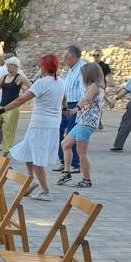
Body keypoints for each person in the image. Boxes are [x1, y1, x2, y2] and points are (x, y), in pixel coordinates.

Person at [0, 54, 65, 202]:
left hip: (40, 124)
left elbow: (21, 100)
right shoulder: (61, 82)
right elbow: (64, 100)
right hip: (53, 123)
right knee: (28, 151)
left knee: (37, 157)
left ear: (44, 66)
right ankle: (30, 181)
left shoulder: (41, 83)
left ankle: (45, 191)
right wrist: (65, 109)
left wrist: (0, 111)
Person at [58, 63, 105, 188]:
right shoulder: (90, 86)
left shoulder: (95, 86)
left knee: (82, 152)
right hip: (82, 121)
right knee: (65, 144)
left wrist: (74, 110)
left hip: (88, 122)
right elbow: (84, 99)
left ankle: (86, 180)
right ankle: (67, 172)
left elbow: (86, 100)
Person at [0, 56, 31, 156]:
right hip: (1, 107)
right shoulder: (4, 77)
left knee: (8, 131)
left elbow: (31, 88)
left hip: (12, 109)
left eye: (10, 65)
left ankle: (5, 154)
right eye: (7, 65)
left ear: (16, 66)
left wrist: (24, 96)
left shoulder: (20, 78)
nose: (8, 67)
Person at [56, 45, 85, 173]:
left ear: (73, 57)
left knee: (71, 134)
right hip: (66, 105)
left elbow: (84, 90)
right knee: (59, 130)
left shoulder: (83, 69)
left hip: (75, 105)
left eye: (65, 57)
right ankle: (64, 161)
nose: (63, 59)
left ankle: (75, 164)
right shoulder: (71, 69)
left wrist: (79, 107)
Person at [91, 49, 112, 130]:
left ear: (101, 56)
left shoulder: (105, 66)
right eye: (94, 55)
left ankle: (98, 121)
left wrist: (113, 85)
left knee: (100, 105)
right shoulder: (91, 65)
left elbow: (109, 76)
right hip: (92, 87)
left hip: (102, 87)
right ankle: (94, 121)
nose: (95, 57)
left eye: (97, 55)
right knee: (92, 104)